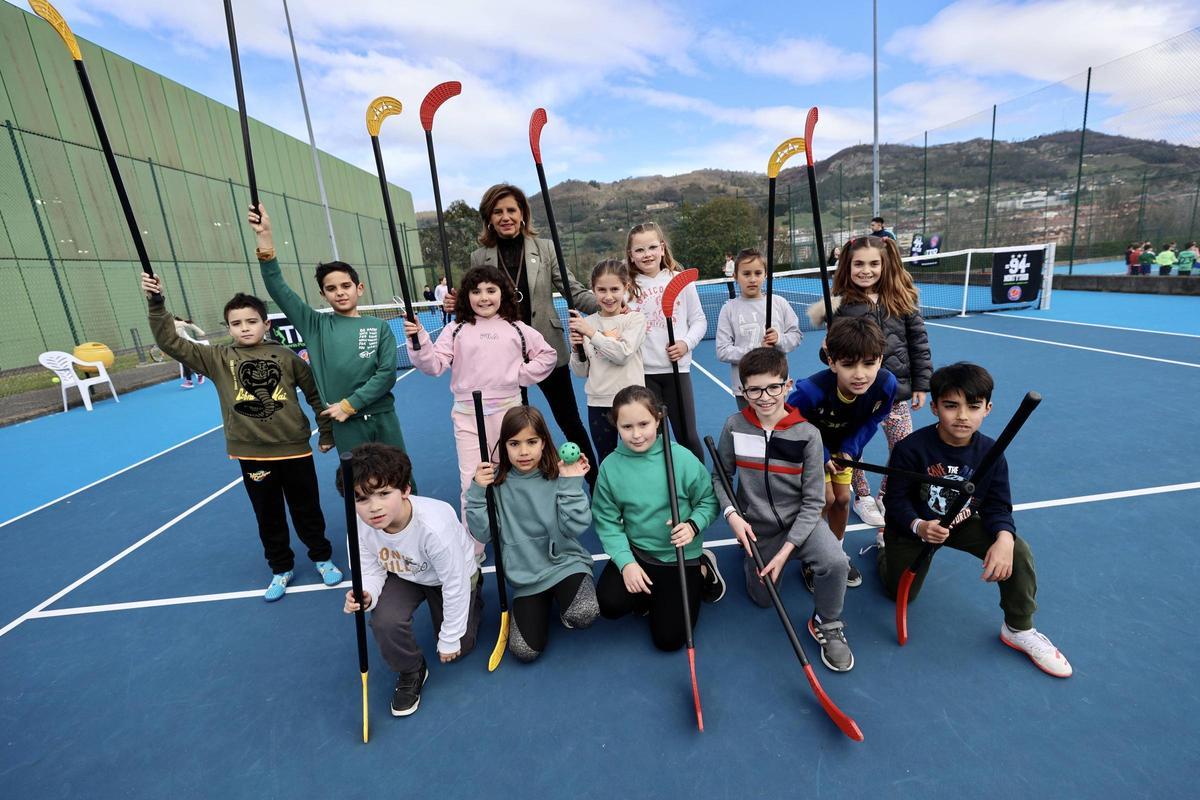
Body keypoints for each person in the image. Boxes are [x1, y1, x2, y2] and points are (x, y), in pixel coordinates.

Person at [142, 273, 342, 601]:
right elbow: (171, 343)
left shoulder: (288, 357)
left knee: (307, 509)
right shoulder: (218, 359)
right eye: (236, 323)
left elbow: (315, 394)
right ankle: (281, 568)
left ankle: (321, 557)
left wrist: (327, 432)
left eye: (251, 321)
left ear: (266, 324)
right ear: (228, 327)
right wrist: (156, 302)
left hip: (294, 451)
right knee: (268, 514)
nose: (244, 327)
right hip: (252, 455)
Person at [878, 362, 1072, 678]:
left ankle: (1018, 628)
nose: (962, 416)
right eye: (951, 406)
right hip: (917, 527)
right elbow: (894, 500)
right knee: (899, 592)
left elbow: (997, 506)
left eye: (973, 406)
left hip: (962, 522)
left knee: (1018, 551)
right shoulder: (911, 449)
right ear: (935, 408)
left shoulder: (992, 452)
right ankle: (884, 549)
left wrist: (1005, 538)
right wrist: (919, 526)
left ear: (988, 408)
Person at [447, 184, 600, 487]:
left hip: (546, 351)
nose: (505, 217)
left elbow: (573, 291)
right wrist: (455, 304)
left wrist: (610, 304)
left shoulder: (545, 249)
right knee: (515, 434)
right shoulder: (479, 256)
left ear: (522, 214)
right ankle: (521, 492)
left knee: (570, 422)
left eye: (511, 210)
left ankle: (597, 488)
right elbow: (474, 304)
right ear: (489, 218)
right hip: (504, 362)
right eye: (498, 211)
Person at [711, 347, 853, 671]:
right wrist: (732, 516)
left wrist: (787, 549)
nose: (764, 397)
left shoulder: (808, 435)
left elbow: (815, 501)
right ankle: (755, 561)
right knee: (762, 600)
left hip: (800, 524)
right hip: (758, 528)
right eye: (755, 390)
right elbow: (720, 477)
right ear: (743, 391)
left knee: (836, 562)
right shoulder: (734, 426)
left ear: (787, 385)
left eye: (773, 387)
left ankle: (828, 624)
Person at [249, 204, 408, 458]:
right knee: (360, 487)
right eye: (331, 288)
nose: (340, 292)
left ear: (360, 288)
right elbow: (277, 287)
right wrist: (264, 237)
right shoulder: (315, 326)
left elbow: (387, 374)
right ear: (323, 295)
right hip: (345, 424)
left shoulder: (379, 327)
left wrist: (350, 404)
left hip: (382, 416)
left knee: (400, 480)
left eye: (346, 285)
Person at [404, 266, 556, 525]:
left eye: (491, 290)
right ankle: (473, 543)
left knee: (513, 474)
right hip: (467, 417)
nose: (484, 297)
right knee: (472, 481)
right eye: (476, 291)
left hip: (509, 417)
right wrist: (418, 339)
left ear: (502, 294)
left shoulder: (517, 328)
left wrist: (520, 375)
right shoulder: (455, 330)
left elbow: (547, 355)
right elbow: (433, 365)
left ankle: (518, 531)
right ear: (467, 297)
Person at [340, 444, 484, 717]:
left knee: (461, 647)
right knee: (384, 620)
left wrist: (450, 637)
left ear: (405, 490)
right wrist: (367, 593)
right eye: (361, 498)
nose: (374, 507)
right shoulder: (358, 527)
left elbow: (455, 583)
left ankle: (475, 603)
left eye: (384, 493)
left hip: (450, 578)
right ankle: (411, 669)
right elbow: (369, 569)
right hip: (406, 572)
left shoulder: (434, 526)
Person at [809, 235, 931, 528]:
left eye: (874, 263)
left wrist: (921, 383)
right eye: (859, 264)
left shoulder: (903, 300)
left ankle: (886, 496)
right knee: (853, 446)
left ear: (885, 264)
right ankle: (861, 495)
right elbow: (834, 357)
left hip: (897, 392)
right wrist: (826, 350)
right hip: (858, 394)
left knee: (902, 448)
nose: (866, 270)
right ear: (847, 267)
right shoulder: (841, 306)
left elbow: (919, 342)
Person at [593, 386, 723, 651]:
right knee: (609, 605)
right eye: (627, 426)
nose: (637, 434)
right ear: (616, 426)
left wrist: (693, 525)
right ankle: (651, 591)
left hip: (680, 555)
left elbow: (709, 501)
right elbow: (606, 522)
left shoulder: (682, 459)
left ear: (658, 420)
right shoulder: (609, 467)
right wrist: (625, 562)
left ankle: (703, 569)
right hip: (639, 553)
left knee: (669, 641)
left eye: (644, 424)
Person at [466, 406, 597, 662]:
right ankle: (539, 604)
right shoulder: (497, 484)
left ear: (544, 442)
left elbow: (576, 527)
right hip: (526, 577)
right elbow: (483, 533)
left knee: (584, 612)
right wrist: (477, 493)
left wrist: (571, 483)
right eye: (514, 443)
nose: (524, 451)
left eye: (531, 442)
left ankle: (563, 601)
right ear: (503, 446)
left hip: (565, 565)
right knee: (524, 651)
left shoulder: (559, 475)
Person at [787, 316, 896, 588]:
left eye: (869, 363)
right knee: (825, 499)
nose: (860, 374)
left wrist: (849, 449)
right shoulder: (810, 391)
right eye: (848, 365)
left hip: (844, 450)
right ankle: (813, 558)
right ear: (832, 362)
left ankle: (835, 553)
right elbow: (792, 423)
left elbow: (874, 418)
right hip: (812, 449)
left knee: (843, 499)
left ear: (880, 359)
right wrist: (821, 454)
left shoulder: (886, 385)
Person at [626, 222, 707, 462]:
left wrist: (685, 344)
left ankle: (699, 485)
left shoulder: (680, 280)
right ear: (630, 255)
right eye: (639, 250)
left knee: (687, 436)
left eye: (652, 247)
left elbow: (699, 320)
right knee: (654, 439)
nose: (647, 254)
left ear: (662, 248)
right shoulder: (627, 288)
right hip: (643, 375)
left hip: (677, 371)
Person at [568, 259, 646, 463]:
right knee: (607, 458)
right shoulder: (587, 323)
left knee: (639, 455)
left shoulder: (635, 320)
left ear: (625, 288)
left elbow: (622, 354)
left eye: (614, 289)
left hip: (632, 402)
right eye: (601, 290)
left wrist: (591, 334)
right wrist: (576, 349)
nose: (608, 296)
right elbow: (580, 371)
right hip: (599, 402)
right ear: (593, 290)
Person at [715, 247, 802, 410]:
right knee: (751, 432)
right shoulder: (729, 309)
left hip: (776, 384)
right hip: (747, 388)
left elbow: (796, 336)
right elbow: (722, 351)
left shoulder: (779, 303)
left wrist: (780, 339)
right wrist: (756, 350)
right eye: (746, 274)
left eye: (758, 273)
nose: (752, 279)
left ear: (765, 275)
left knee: (778, 431)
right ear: (735, 276)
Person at [173, 315, 207, 388]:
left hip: (187, 344)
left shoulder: (179, 323)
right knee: (186, 361)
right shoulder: (166, 328)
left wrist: (201, 332)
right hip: (179, 346)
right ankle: (199, 374)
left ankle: (190, 381)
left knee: (184, 361)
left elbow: (190, 325)